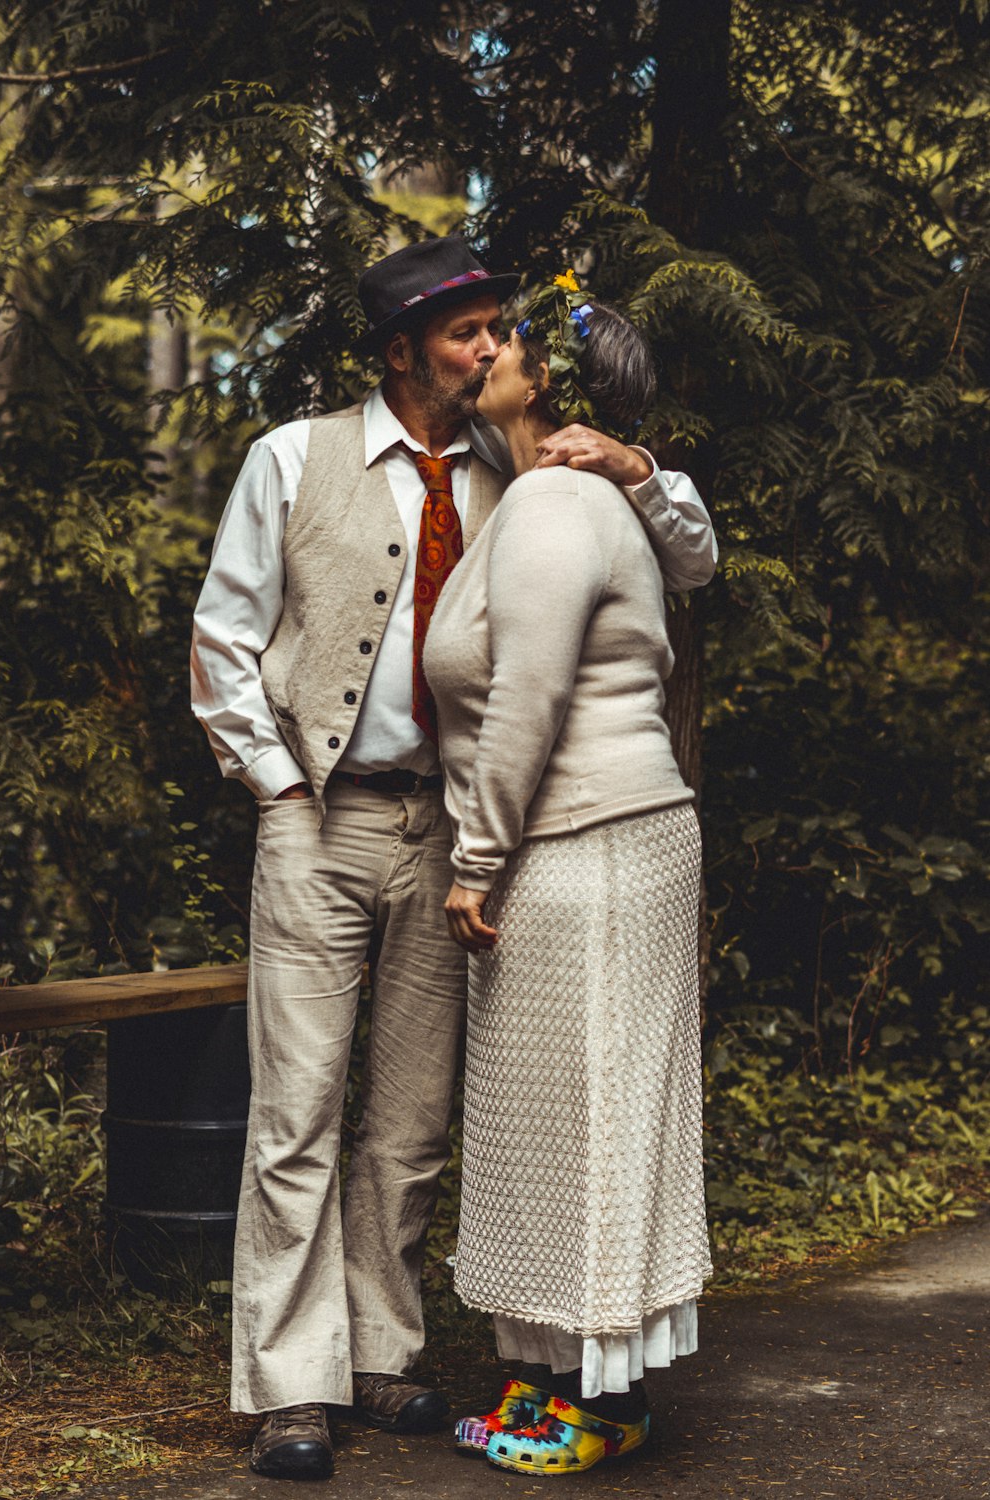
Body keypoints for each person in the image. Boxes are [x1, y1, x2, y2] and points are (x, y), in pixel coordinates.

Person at [190, 237, 717, 1482]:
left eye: (497, 329)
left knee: (414, 1121)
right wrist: (279, 790)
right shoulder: (291, 457)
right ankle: (290, 1385)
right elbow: (223, 645)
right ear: (400, 349)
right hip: (323, 815)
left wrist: (639, 462)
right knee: (298, 1110)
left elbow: (683, 561)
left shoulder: (524, 469)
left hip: (456, 825)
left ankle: (383, 1351)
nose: (488, 347)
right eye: (466, 331)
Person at [424, 276, 713, 1476]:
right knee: (589, 1112)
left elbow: (527, 701)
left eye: (503, 341)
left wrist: (474, 861)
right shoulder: (558, 496)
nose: (482, 350)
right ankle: (589, 1389)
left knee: (576, 1117)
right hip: (618, 834)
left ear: (542, 380)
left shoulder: (555, 498)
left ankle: (583, 1400)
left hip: (580, 840)